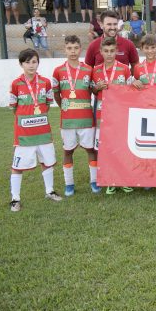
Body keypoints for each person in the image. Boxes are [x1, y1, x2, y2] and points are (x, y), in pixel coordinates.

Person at [8, 48, 63, 212]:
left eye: (34, 62)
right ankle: (15, 199)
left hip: (43, 133)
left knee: (47, 162)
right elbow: (14, 108)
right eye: (27, 62)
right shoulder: (16, 84)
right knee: (17, 166)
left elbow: (47, 104)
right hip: (24, 135)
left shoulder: (45, 82)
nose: (31, 65)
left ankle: (50, 191)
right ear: (21, 64)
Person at [51, 35, 99, 196]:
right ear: (64, 49)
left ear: (80, 49)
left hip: (86, 119)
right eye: (69, 48)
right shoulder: (58, 71)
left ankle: (94, 182)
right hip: (68, 121)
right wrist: (64, 108)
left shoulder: (89, 69)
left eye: (76, 48)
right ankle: (69, 184)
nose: (73, 51)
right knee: (68, 151)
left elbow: (94, 91)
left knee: (91, 150)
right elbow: (56, 94)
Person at [90, 36, 133, 194]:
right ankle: (109, 180)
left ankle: (123, 179)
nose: (109, 54)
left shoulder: (124, 69)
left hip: (119, 115)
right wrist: (97, 88)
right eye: (106, 51)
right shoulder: (95, 70)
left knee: (121, 147)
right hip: (102, 115)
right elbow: (92, 91)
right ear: (101, 52)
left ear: (117, 51)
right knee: (104, 149)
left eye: (112, 51)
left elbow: (130, 91)